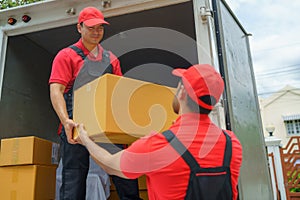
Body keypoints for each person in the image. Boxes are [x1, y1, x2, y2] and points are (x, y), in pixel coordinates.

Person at [76, 64, 243, 200]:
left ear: (182, 93)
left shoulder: (159, 145)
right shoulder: (232, 144)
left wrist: (85, 139)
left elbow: (109, 164)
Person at [49, 6, 141, 200]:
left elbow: (119, 93)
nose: (96, 32)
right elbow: (56, 90)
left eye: (100, 27)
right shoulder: (67, 56)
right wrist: (66, 121)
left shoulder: (111, 59)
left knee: (125, 175)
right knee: (73, 180)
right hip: (76, 127)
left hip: (107, 126)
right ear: (79, 28)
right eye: (91, 27)